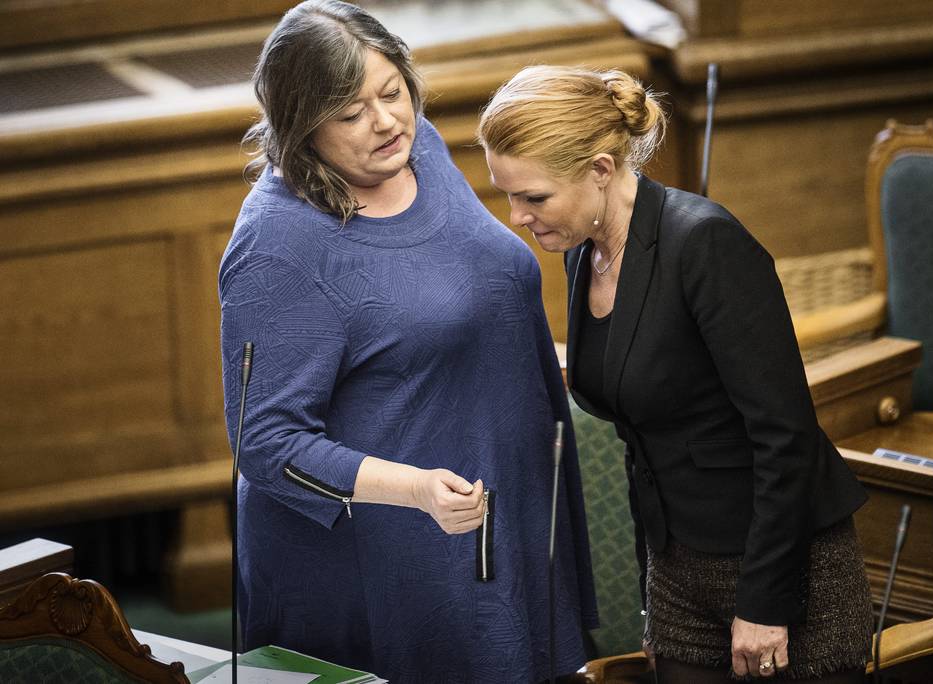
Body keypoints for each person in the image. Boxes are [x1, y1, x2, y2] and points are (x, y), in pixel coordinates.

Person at [219, 5, 598, 681]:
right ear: (301, 126)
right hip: (398, 559)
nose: (386, 121)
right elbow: (265, 444)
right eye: (350, 112)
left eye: (392, 92)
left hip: (503, 504)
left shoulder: (414, 148)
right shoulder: (277, 248)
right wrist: (416, 490)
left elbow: (463, 293)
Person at [479, 66, 873, 683]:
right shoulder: (583, 252)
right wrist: (652, 588)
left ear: (600, 169)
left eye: (534, 197)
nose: (516, 217)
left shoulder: (705, 242)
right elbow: (642, 436)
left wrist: (765, 603)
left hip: (782, 567)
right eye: (508, 196)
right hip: (677, 567)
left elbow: (787, 436)